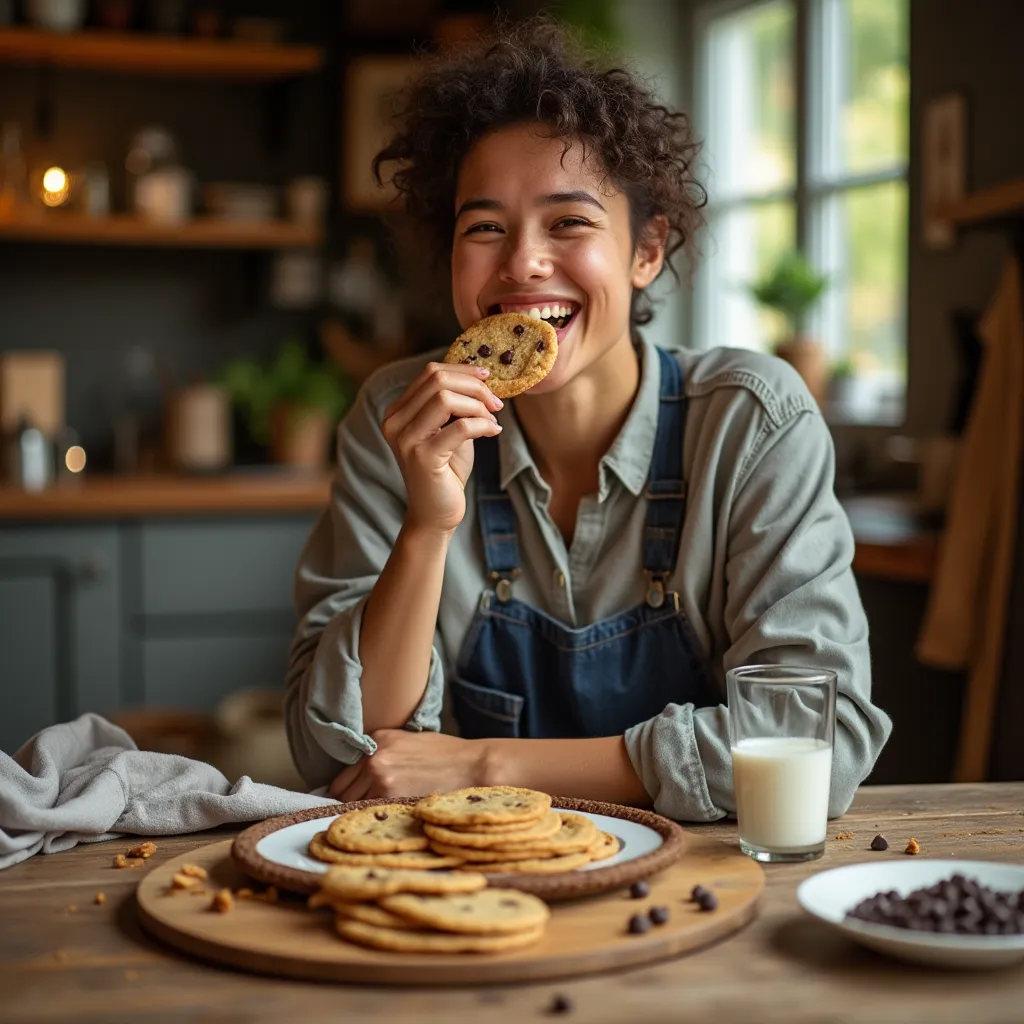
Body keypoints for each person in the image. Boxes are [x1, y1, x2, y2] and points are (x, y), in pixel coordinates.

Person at [284, 19, 891, 820]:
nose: (523, 261)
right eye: (484, 227)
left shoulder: (752, 422)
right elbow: (347, 750)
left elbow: (818, 740)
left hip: (709, 889)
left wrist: (486, 764)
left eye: (569, 222)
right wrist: (427, 527)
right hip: (473, 879)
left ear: (646, 253)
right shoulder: (398, 416)